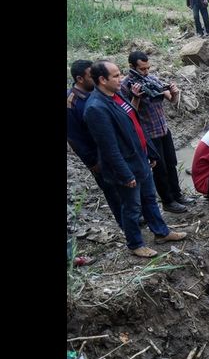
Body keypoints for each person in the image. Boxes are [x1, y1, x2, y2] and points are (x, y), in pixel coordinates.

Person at [83, 61, 188, 258]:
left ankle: (161, 232)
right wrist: (125, 174)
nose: (120, 78)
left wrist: (149, 152)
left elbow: (134, 124)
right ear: (102, 80)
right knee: (131, 207)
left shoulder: (117, 96)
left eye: (119, 74)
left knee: (149, 199)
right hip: (125, 166)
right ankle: (135, 243)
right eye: (115, 76)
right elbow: (109, 148)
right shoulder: (96, 108)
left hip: (140, 158)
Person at [121, 51, 192, 214]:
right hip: (147, 134)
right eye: (142, 69)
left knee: (171, 164)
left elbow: (171, 100)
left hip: (163, 129)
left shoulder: (152, 78)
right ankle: (168, 201)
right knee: (160, 170)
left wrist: (174, 92)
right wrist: (136, 97)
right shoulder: (126, 86)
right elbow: (127, 115)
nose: (146, 72)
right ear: (132, 67)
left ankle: (178, 195)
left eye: (148, 68)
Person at [67, 59, 122, 226]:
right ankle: (124, 223)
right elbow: (74, 138)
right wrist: (92, 162)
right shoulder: (72, 103)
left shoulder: (98, 92)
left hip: (114, 148)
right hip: (98, 155)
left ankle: (134, 215)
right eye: (92, 76)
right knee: (112, 190)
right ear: (80, 79)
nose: (97, 79)